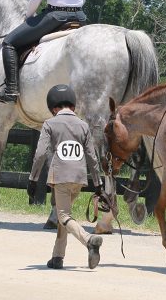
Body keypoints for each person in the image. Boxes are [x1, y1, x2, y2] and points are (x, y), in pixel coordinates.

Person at [27, 84, 104, 269]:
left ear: (53, 108)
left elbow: (40, 154)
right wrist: (98, 183)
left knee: (62, 215)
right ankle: (57, 257)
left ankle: (89, 240)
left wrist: (33, 179)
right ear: (73, 106)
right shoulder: (83, 125)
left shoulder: (49, 124)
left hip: (60, 177)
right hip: (79, 178)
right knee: (65, 216)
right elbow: (92, 157)